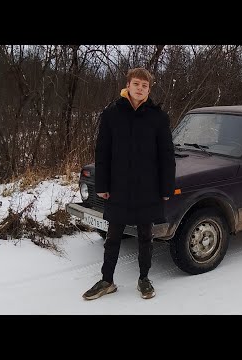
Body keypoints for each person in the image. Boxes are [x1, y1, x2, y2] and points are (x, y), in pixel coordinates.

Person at [83, 68, 176, 300]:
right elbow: (102, 152)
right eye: (137, 84)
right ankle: (107, 280)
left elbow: (167, 155)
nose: (140, 89)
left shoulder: (158, 117)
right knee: (113, 235)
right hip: (119, 186)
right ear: (128, 85)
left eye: (145, 86)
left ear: (149, 89)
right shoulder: (112, 114)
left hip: (148, 187)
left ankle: (144, 279)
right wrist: (102, 185)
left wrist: (166, 188)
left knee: (146, 236)